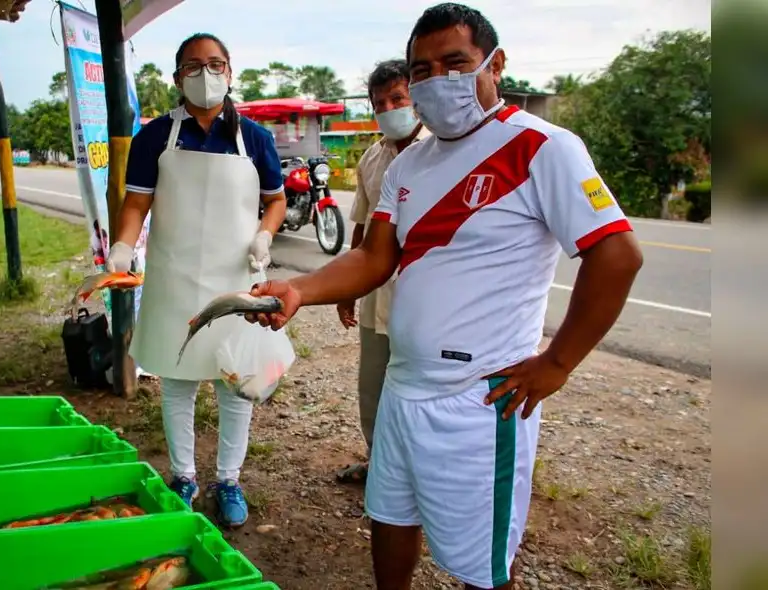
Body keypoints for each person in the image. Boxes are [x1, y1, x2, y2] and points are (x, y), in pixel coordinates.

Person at [244, 4, 644, 589]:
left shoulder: (542, 147)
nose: (436, 81)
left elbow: (617, 255)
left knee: (481, 566)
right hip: (405, 389)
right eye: (422, 70)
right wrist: (300, 288)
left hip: (479, 403)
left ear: (494, 64)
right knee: (389, 517)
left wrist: (559, 362)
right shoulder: (411, 163)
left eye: (454, 63)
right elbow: (375, 257)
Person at [107, 32, 287, 528]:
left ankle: (228, 478)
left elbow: (275, 199)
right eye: (193, 66)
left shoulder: (255, 138)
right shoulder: (154, 136)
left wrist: (265, 236)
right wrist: (123, 246)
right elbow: (137, 203)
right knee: (178, 379)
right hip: (175, 274)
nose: (204, 75)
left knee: (237, 383)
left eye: (214, 64)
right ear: (177, 77)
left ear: (230, 72)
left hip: (237, 277)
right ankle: (183, 475)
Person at [335, 59, 429, 485]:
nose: (388, 108)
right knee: (373, 385)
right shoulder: (373, 158)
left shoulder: (444, 149)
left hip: (425, 297)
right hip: (376, 289)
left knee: (421, 389)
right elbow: (362, 221)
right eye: (379, 103)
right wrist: (346, 287)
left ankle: (418, 476)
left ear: (416, 98)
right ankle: (379, 465)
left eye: (397, 98)